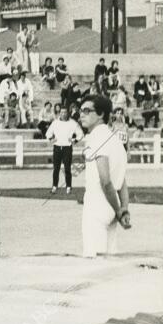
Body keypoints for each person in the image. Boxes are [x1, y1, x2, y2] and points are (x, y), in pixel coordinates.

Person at [78, 95, 131, 258]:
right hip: (112, 205)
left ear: (101, 114)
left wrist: (120, 211)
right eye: (80, 111)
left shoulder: (96, 137)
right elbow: (121, 180)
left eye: (87, 111)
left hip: (97, 204)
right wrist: (123, 209)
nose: (81, 114)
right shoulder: (115, 139)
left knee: (93, 262)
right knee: (109, 263)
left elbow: (106, 181)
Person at [45, 106, 84, 194]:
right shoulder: (55, 122)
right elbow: (48, 133)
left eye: (65, 112)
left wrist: (75, 140)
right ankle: (54, 186)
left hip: (67, 148)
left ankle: (68, 187)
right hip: (57, 147)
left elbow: (80, 134)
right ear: (59, 113)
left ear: (68, 113)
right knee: (56, 168)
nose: (63, 114)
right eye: (61, 112)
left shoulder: (72, 123)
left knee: (67, 168)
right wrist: (51, 139)